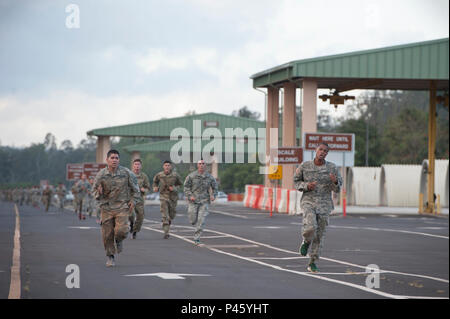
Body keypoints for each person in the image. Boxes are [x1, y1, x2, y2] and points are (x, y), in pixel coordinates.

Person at [294, 142, 342, 273]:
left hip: (325, 204)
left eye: (325, 151)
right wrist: (306, 186)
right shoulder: (305, 166)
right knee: (310, 226)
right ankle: (306, 241)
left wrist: (335, 181)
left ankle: (313, 261)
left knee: (320, 235)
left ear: (327, 153)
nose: (322, 152)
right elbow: (296, 182)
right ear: (316, 150)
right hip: (308, 201)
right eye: (320, 149)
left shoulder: (332, 168)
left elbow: (338, 188)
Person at [93, 149, 140, 267]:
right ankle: (110, 257)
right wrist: (99, 193)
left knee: (122, 231)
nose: (114, 160)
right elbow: (94, 191)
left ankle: (119, 240)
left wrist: (133, 201)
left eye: (116, 158)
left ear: (119, 160)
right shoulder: (101, 174)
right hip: (107, 207)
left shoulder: (126, 173)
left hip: (122, 207)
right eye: (112, 158)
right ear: (107, 160)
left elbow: (136, 190)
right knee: (107, 234)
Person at [183, 159, 218, 246]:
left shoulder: (209, 177)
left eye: (203, 164)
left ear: (205, 165)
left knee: (201, 220)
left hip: (204, 201)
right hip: (193, 201)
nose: (201, 165)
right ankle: (193, 222)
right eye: (200, 164)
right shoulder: (191, 176)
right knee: (192, 219)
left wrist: (213, 195)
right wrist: (190, 195)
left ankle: (197, 238)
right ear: (197, 165)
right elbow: (186, 187)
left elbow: (215, 187)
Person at [152, 160, 183, 239]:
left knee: (171, 215)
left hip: (173, 198)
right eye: (165, 165)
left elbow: (180, 184)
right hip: (163, 196)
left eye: (168, 165)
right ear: (163, 166)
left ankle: (167, 221)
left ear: (171, 167)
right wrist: (155, 187)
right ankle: (166, 232)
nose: (167, 167)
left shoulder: (175, 175)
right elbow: (155, 182)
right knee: (165, 215)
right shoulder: (159, 175)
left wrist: (174, 188)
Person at [129, 158, 150, 239]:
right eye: (135, 164)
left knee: (140, 216)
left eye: (138, 164)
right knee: (131, 214)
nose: (137, 166)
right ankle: (131, 223)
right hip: (130, 198)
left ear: (141, 166)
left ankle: (135, 231)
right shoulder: (129, 175)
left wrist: (144, 190)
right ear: (133, 166)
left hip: (139, 199)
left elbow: (148, 187)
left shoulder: (144, 176)